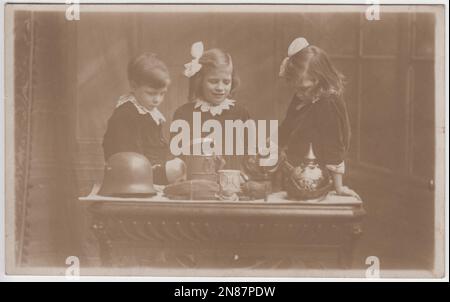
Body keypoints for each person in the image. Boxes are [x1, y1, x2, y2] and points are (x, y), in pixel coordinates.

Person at [278, 37, 359, 198]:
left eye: (304, 88)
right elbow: (286, 127)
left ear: (320, 80)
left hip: (318, 178)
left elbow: (334, 145)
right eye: (296, 89)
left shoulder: (328, 102)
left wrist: (339, 187)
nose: (300, 94)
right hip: (294, 171)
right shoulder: (303, 95)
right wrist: (271, 146)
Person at [102, 52, 185, 185]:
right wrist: (164, 171)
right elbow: (129, 158)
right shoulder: (126, 116)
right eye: (151, 93)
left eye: (162, 93)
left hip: (150, 172)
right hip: (134, 177)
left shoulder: (148, 111)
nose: (157, 99)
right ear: (134, 86)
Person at [172, 42, 250, 170]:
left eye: (226, 82)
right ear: (200, 81)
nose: (220, 88)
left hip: (233, 184)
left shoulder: (240, 113)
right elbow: (179, 160)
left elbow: (248, 155)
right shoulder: (183, 114)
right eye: (213, 81)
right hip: (197, 183)